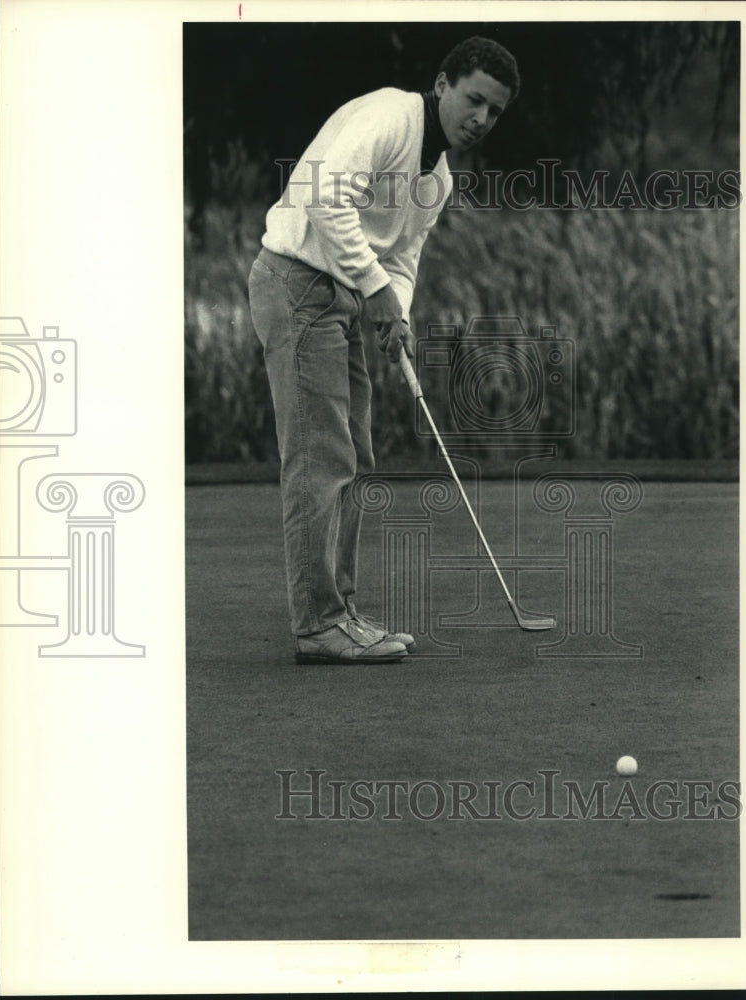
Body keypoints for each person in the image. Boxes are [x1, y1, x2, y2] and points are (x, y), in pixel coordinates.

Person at [248, 36, 520, 664]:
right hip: (297, 282)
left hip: (341, 294)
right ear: (443, 84)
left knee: (354, 455)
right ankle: (318, 624)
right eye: (474, 100)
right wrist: (374, 290)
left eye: (495, 111)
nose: (481, 119)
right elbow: (325, 197)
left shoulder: (438, 178)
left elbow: (401, 257)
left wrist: (395, 312)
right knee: (321, 457)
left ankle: (339, 611)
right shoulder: (390, 116)